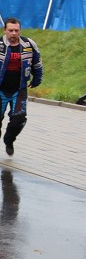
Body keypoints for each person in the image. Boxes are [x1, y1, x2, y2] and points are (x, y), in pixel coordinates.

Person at [0, 17, 43, 157]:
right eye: (10, 30)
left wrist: (37, 79)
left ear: (20, 31)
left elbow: (37, 63)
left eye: (16, 30)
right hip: (1, 89)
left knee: (19, 119)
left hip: (19, 89)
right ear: (5, 30)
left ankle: (9, 140)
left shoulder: (29, 44)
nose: (13, 33)